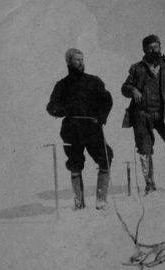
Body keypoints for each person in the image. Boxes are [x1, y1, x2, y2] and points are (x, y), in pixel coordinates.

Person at [46, 48, 113, 210]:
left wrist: (101, 117)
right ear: (69, 62)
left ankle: (101, 200)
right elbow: (51, 107)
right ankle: (79, 202)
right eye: (77, 60)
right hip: (71, 129)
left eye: (82, 59)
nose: (81, 62)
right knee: (75, 163)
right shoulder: (61, 85)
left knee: (105, 157)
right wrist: (66, 109)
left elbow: (107, 100)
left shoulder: (94, 81)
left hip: (92, 128)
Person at [121, 34, 165, 194]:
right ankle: (149, 183)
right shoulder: (137, 68)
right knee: (144, 149)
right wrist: (133, 89)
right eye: (149, 48)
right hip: (142, 115)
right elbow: (125, 88)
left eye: (156, 47)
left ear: (160, 47)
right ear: (144, 50)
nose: (153, 50)